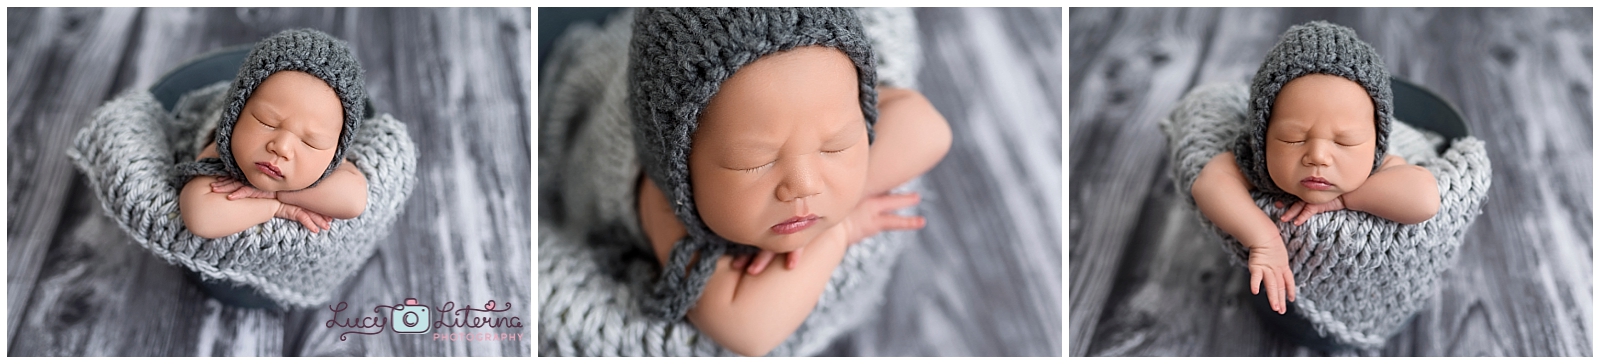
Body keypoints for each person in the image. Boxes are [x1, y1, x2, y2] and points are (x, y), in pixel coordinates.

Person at [628, 8, 951, 356]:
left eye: (835, 145)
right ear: (681, 173)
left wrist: (851, 189)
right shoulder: (661, 198)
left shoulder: (824, 88)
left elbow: (928, 129)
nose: (804, 185)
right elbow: (746, 329)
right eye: (754, 162)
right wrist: (840, 232)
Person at [1189, 20, 1440, 319]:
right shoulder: (1254, 161)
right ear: (1262, 135)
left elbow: (1425, 199)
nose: (1318, 156)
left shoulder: (1376, 165)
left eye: (1345, 142)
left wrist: (1345, 198)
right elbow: (1209, 183)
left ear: (1376, 141)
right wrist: (1264, 240)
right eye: (1293, 138)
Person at [177, 28, 370, 239]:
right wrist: (276, 208)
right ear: (236, 114)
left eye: (310, 142)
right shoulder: (219, 149)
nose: (282, 147)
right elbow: (202, 219)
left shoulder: (329, 161)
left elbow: (353, 201)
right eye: (266, 122)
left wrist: (274, 193)